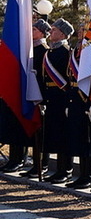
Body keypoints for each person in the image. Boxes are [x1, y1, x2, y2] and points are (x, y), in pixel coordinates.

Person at [42, 18, 74, 184]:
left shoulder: (66, 52)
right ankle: (57, 170)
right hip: (51, 97)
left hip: (61, 98)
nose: (50, 32)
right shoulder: (50, 52)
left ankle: (65, 170)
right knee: (53, 134)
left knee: (63, 136)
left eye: (53, 30)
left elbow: (68, 79)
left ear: (62, 34)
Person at [65, 24, 91, 189]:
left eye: (83, 30)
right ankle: (82, 174)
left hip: (87, 100)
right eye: (79, 30)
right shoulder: (76, 50)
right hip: (76, 100)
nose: (79, 32)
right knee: (79, 138)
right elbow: (71, 79)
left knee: (88, 139)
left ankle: (89, 175)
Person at [20, 19, 51, 178]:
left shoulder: (44, 50)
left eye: (34, 30)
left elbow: (45, 78)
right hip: (31, 95)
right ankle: (34, 164)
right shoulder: (31, 49)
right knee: (33, 130)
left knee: (42, 132)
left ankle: (42, 165)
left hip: (40, 96)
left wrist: (42, 99)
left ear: (41, 32)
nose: (31, 33)